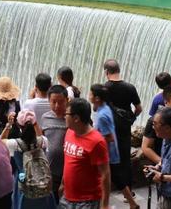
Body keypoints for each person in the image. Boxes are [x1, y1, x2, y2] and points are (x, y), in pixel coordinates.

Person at [89, 84, 138, 209]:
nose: (88, 96)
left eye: (91, 94)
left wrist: (97, 149)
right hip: (111, 152)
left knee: (108, 178)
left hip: (107, 154)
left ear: (97, 98)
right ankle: (132, 204)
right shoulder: (104, 108)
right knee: (116, 178)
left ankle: (105, 205)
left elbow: (109, 137)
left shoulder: (102, 116)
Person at [60, 98, 111, 209]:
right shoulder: (69, 132)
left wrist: (105, 204)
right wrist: (63, 184)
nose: (64, 116)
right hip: (67, 197)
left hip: (87, 201)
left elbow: (105, 174)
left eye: (66, 114)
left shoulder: (97, 141)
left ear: (76, 118)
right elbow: (68, 162)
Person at [103, 58, 142, 199]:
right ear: (119, 70)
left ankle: (106, 192)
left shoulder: (104, 88)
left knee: (108, 159)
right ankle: (128, 192)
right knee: (125, 160)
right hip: (125, 129)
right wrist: (130, 119)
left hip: (109, 130)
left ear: (107, 72)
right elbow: (139, 108)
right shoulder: (130, 87)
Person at [2, 110, 55, 209]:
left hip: (24, 183)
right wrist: (35, 124)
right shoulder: (42, 141)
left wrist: (8, 125)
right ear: (34, 123)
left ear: (18, 125)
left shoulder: (15, 144)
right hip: (43, 182)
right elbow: (40, 136)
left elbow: (1, 140)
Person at [41, 84, 69, 202]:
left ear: (67, 100)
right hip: (49, 170)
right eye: (53, 102)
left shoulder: (72, 118)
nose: (57, 106)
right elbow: (42, 140)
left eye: (61, 102)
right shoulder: (45, 118)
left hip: (67, 172)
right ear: (49, 101)